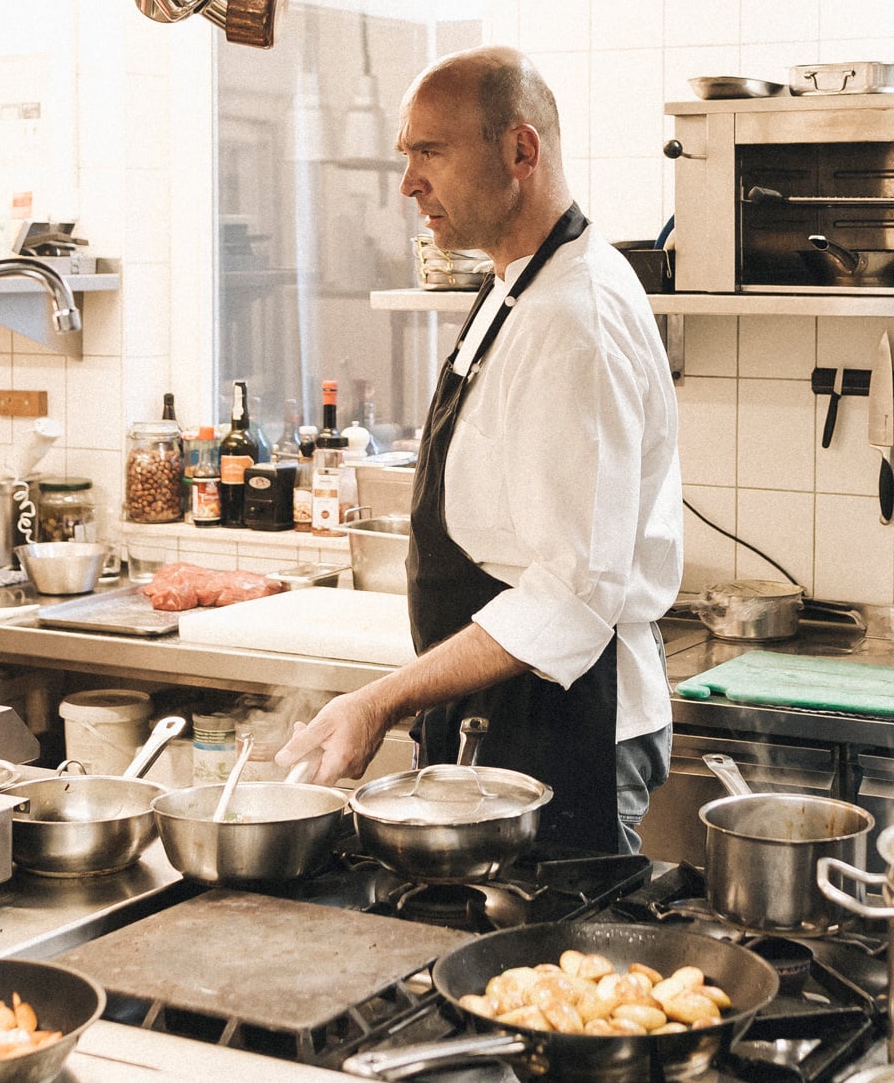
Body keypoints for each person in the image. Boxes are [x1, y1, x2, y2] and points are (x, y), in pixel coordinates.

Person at [275, 46, 682, 854]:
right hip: (509, 712)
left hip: (569, 719)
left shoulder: (573, 319)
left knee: (554, 967)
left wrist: (381, 700)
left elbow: (569, 597)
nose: (408, 183)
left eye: (431, 152)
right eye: (407, 155)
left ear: (520, 151)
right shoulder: (519, 283)